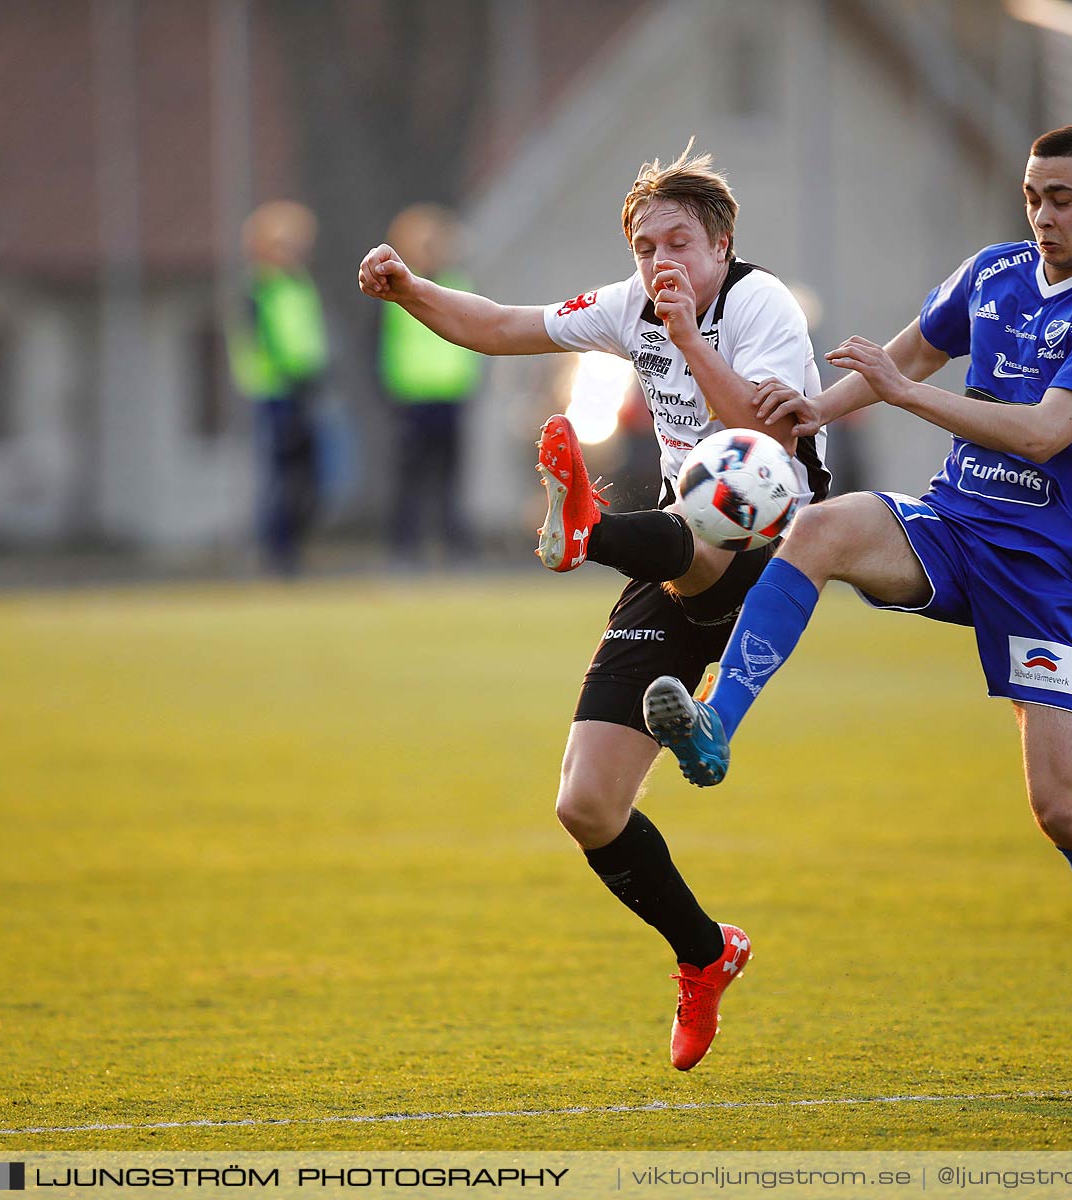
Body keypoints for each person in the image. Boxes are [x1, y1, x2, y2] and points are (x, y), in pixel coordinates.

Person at [642, 126, 1072, 1084]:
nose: (1044, 217)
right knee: (820, 529)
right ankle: (716, 727)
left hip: (1052, 575)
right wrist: (822, 409)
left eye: (1062, 199)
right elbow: (912, 353)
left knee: (1060, 809)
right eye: (1032, 197)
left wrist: (895, 397)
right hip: (956, 528)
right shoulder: (996, 272)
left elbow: (1049, 433)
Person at [358, 143, 829, 1071]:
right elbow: (499, 325)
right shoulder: (630, 304)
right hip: (677, 548)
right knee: (586, 806)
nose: (662, 262)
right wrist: (410, 289)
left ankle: (589, 531)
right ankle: (705, 955)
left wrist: (690, 335)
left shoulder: (759, 305)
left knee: (712, 506)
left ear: (722, 244)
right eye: (646, 245)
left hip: (778, 545)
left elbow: (758, 434)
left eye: (680, 243)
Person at [228, 201, 328, 576]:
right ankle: (277, 553)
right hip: (275, 394)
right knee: (281, 477)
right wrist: (288, 374)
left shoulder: (299, 286)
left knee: (312, 478)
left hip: (305, 391)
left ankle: (294, 548)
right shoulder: (257, 290)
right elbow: (263, 342)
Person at [380, 205, 483, 566]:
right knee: (410, 479)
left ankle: (453, 546)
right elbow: (379, 345)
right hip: (412, 398)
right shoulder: (394, 292)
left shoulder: (457, 283)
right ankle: (405, 549)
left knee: (450, 477)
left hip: (451, 396)